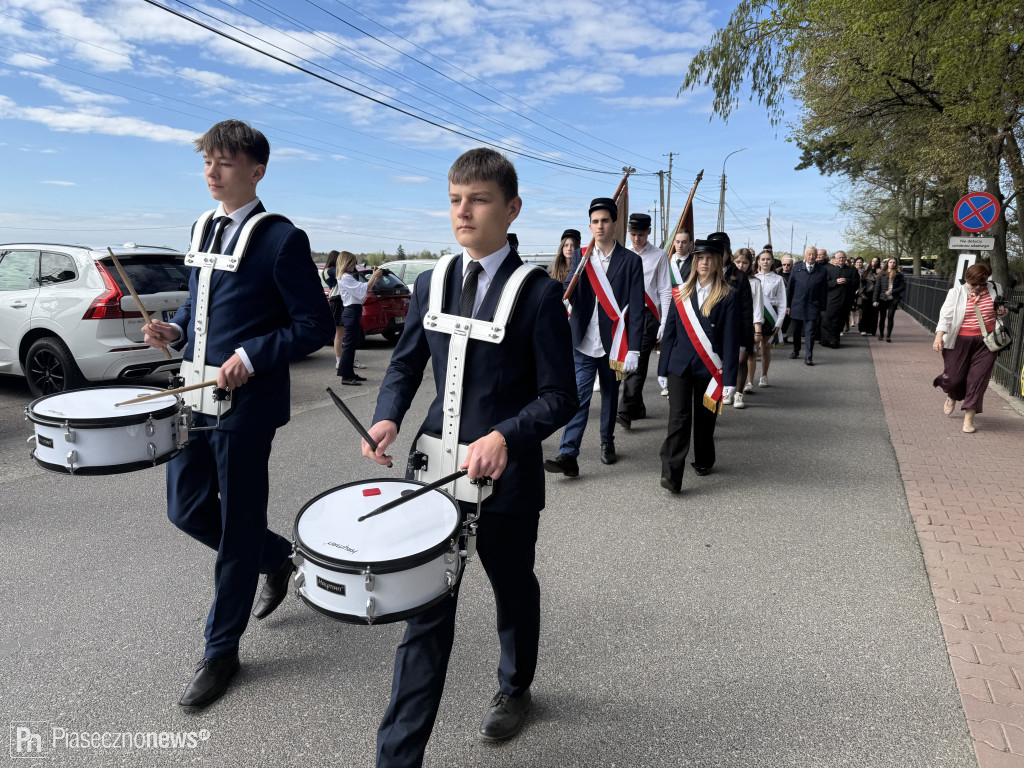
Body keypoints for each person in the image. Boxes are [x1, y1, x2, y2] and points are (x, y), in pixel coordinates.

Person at [361, 147, 577, 767]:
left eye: (478, 200)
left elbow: (561, 394)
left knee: (512, 586)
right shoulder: (431, 281)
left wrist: (507, 435)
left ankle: (515, 686)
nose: (463, 211)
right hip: (433, 474)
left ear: (511, 209)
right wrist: (386, 416)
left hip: (505, 481)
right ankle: (397, 759)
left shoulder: (538, 294)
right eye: (455, 199)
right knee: (426, 615)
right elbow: (405, 363)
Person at [141, 119, 334, 708]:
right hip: (194, 394)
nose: (212, 172)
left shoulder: (282, 238)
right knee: (186, 509)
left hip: (245, 408)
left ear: (257, 170)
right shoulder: (202, 228)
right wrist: (173, 326)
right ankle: (275, 556)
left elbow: (314, 326)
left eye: (224, 163)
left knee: (237, 529)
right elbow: (200, 306)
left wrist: (251, 356)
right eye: (206, 162)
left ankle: (221, 650)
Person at [545, 197, 644, 475]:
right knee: (579, 396)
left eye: (605, 221)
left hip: (614, 342)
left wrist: (634, 348)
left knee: (611, 395)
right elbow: (568, 289)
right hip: (583, 339)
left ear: (614, 224)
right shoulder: (581, 256)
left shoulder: (631, 261)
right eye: (595, 222)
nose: (599, 226)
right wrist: (561, 297)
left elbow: (636, 307)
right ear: (590, 226)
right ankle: (568, 453)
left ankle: (606, 441)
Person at [657, 240, 738, 492]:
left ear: (718, 262)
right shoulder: (680, 292)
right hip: (679, 366)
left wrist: (730, 380)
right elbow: (670, 333)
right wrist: (661, 368)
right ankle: (671, 475)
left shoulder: (728, 295)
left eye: (709, 258)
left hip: (710, 368)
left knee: (705, 419)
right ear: (694, 262)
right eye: (699, 258)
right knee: (678, 419)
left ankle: (704, 459)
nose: (704, 262)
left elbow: (730, 340)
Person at [932, 263, 1009, 434]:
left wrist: (1002, 312)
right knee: (954, 378)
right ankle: (952, 395)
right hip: (959, 340)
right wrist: (939, 336)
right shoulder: (956, 293)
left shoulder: (996, 288)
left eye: (979, 285)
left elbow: (999, 311)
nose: (974, 288)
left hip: (986, 342)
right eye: (971, 284)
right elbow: (946, 315)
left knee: (977, 380)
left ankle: (969, 419)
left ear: (986, 281)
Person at [617, 212, 671, 427]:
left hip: (648, 315)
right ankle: (637, 407)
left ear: (649, 231)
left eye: (640, 234)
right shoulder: (621, 253)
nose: (636, 238)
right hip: (625, 315)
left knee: (636, 363)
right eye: (633, 234)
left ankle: (625, 411)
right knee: (624, 362)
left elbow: (665, 289)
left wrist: (665, 320)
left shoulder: (660, 256)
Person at [711, 233, 752, 405]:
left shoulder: (739, 277)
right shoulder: (705, 273)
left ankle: (736, 392)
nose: (718, 257)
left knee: (736, 362)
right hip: (711, 329)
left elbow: (746, 308)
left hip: (734, 328)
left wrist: (746, 337)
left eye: (722, 252)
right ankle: (721, 392)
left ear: (728, 253)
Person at [335, 251, 383, 385]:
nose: (354, 265)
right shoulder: (345, 277)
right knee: (349, 344)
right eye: (353, 262)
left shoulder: (347, 277)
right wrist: (373, 277)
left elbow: (362, 292)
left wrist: (375, 279)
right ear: (347, 263)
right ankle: (346, 376)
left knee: (352, 344)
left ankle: (349, 373)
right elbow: (361, 289)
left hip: (354, 311)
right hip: (351, 311)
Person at [730, 248, 763, 407]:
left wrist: (757, 331)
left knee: (742, 359)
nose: (741, 265)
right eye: (738, 262)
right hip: (730, 326)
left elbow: (757, 308)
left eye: (745, 262)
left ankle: (738, 393)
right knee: (729, 361)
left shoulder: (755, 282)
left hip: (746, 326)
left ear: (750, 264)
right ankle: (728, 390)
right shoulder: (729, 278)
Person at [786, 246, 828, 365]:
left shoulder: (822, 271)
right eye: (809, 254)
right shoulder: (796, 268)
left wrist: (823, 308)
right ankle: (796, 350)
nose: (811, 256)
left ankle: (809, 356)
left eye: (813, 254)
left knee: (810, 332)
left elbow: (824, 292)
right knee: (796, 331)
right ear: (805, 255)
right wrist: (788, 305)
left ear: (817, 256)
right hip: (797, 305)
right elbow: (790, 288)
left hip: (813, 306)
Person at [755, 249, 787, 386]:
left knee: (765, 348)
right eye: (763, 259)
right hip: (755, 316)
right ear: (758, 261)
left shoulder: (778, 279)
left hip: (770, 316)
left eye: (768, 259)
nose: (765, 262)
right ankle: (749, 379)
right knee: (752, 348)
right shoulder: (752, 278)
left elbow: (782, 302)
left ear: (772, 261)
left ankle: (763, 375)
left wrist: (779, 322)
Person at [821, 251, 857, 348]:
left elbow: (856, 283)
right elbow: (825, 284)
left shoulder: (852, 270)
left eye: (843, 257)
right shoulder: (830, 270)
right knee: (830, 320)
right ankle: (829, 340)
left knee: (841, 321)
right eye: (839, 258)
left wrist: (847, 280)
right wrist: (836, 282)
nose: (841, 259)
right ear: (836, 259)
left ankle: (836, 340)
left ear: (846, 259)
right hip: (833, 299)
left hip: (846, 299)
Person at [873, 258, 905, 342]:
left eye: (894, 262)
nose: (892, 264)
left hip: (893, 299)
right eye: (890, 262)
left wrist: (892, 291)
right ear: (887, 263)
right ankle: (881, 334)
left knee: (890, 317)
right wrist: (874, 300)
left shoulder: (899, 275)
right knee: (882, 317)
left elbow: (902, 287)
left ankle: (888, 336)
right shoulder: (882, 274)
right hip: (883, 299)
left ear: (896, 264)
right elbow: (877, 288)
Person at [323, 250, 345, 369]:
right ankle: (339, 361)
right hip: (336, 301)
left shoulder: (333, 270)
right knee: (339, 334)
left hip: (342, 301)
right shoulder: (328, 271)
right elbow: (339, 273)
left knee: (345, 334)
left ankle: (348, 359)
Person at [858, 257, 882, 335]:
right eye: (873, 261)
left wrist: (880, 274)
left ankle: (872, 330)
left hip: (876, 295)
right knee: (865, 312)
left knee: (874, 313)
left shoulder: (881, 273)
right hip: (867, 293)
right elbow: (861, 284)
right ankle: (863, 329)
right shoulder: (865, 272)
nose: (874, 262)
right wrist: (862, 295)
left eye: (876, 261)